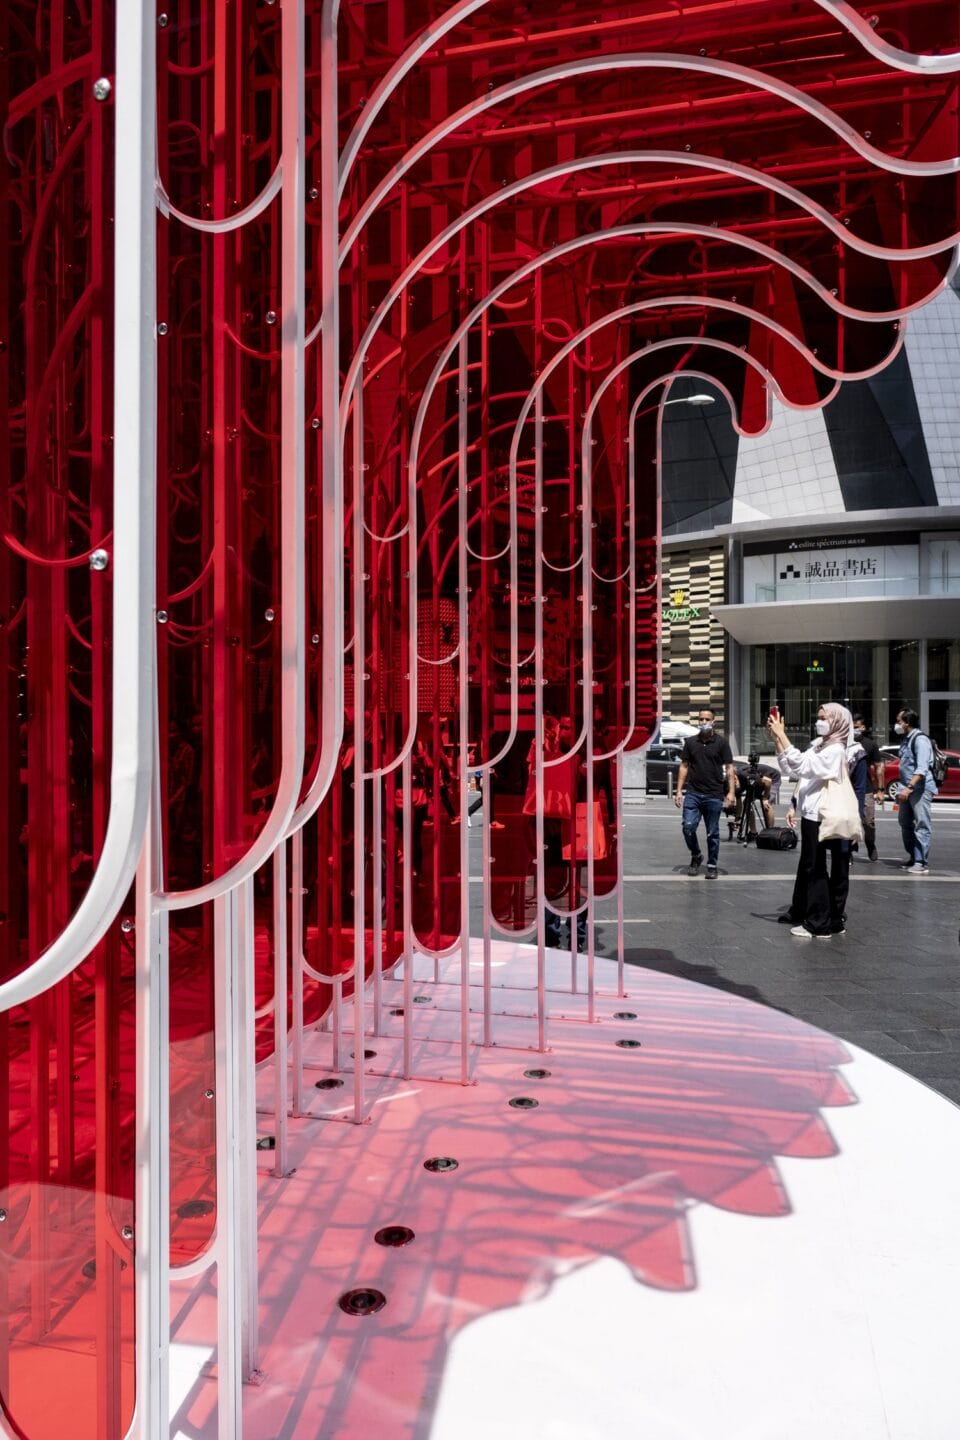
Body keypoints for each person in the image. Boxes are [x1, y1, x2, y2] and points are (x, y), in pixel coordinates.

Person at [768, 703, 861, 938]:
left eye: (824, 718)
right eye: (818, 717)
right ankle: (815, 915)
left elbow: (804, 765)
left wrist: (783, 735)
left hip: (826, 814)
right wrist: (778, 741)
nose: (819, 722)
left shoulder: (837, 750)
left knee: (820, 868)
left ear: (837, 721)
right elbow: (794, 768)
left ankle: (821, 923)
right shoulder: (820, 745)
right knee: (811, 865)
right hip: (812, 814)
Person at [674, 706, 736, 879]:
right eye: (701, 719)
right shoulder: (690, 742)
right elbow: (684, 766)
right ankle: (696, 855)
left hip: (714, 794)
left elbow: (730, 768)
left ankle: (712, 864)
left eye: (707, 719)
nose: (703, 722)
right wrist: (679, 791)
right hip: (693, 793)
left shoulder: (722, 743)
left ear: (713, 722)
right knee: (688, 827)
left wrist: (731, 792)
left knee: (712, 832)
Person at [894, 707, 937, 874]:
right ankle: (913, 856)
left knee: (921, 824)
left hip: (919, 789)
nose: (896, 724)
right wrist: (902, 789)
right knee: (905, 822)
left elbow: (921, 768)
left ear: (907, 722)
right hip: (906, 788)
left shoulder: (920, 740)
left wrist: (909, 787)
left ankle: (921, 861)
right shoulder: (906, 739)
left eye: (899, 721)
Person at [851, 714, 884, 862]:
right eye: (851, 726)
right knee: (848, 820)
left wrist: (880, 790)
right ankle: (849, 851)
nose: (853, 729)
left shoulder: (870, 745)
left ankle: (871, 844)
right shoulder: (844, 743)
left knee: (868, 822)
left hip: (866, 790)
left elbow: (878, 768)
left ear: (863, 728)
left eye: (856, 727)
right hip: (847, 790)